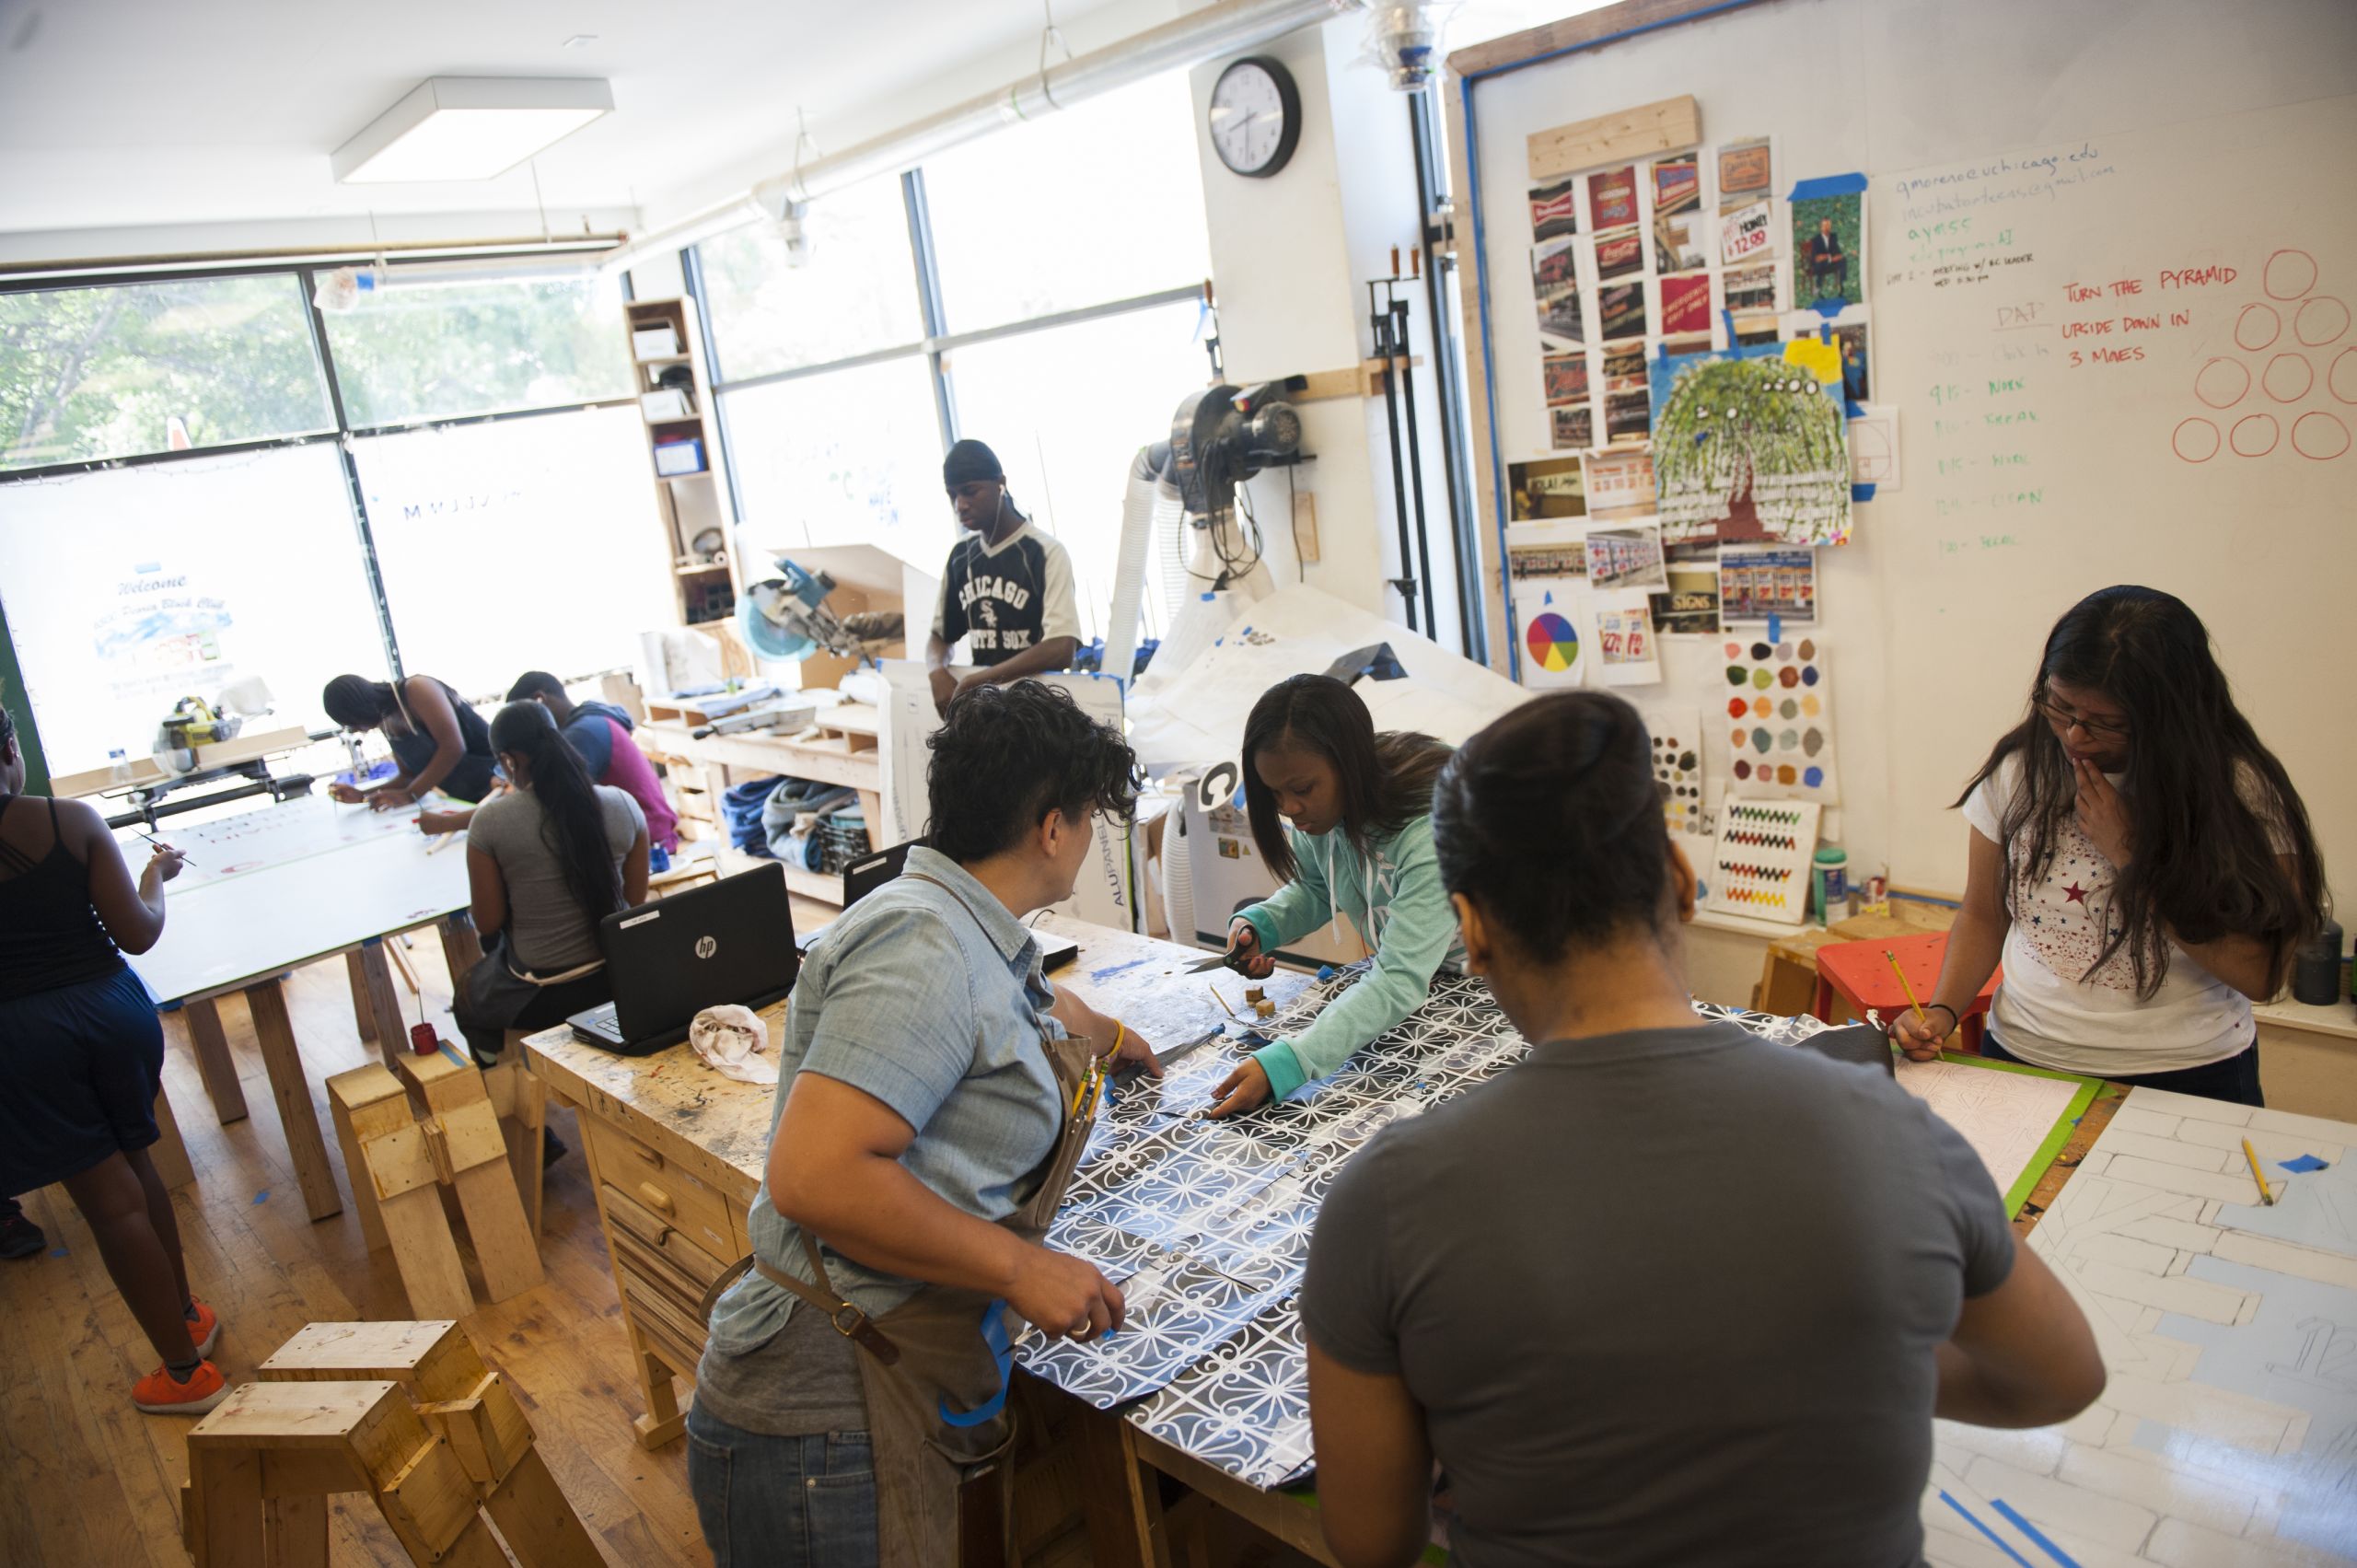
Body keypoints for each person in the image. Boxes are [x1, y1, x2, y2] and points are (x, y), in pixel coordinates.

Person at [1302, 691, 2107, 1567]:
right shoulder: (1888, 1131)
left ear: (1474, 932)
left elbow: (1369, 1541)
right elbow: (2063, 1374)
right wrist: (1847, 1364)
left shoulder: (1384, 1200)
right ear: (1682, 881)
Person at [690, 681, 1161, 1567]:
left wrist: (1098, 1030)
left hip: (874, 1378)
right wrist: (1021, 1264)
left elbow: (1002, 996)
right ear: (1052, 829)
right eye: (1089, 818)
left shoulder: (955, 921)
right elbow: (817, 1175)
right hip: (819, 1421)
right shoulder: (923, 945)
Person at [1889, 587, 2324, 1105]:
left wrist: (2134, 856)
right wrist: (1942, 1010)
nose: (2074, 736)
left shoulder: (2240, 792)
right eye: (2060, 706)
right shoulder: (2020, 772)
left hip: (2187, 1073)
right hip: (2025, 1056)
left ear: (2170, 715)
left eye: (2106, 723)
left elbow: (2261, 974)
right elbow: (1984, 914)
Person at [0, 704, 228, 1413]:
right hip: (116, 1012)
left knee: (108, 1201)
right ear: (10, 745)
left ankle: (185, 1375)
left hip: (26, 1037)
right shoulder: (70, 819)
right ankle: (186, 1314)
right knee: (138, 1164)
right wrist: (157, 874)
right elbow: (138, 930)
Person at [1203, 675, 1460, 1119]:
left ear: (1350, 766)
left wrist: (1293, 1061)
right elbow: (1319, 888)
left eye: (1302, 790)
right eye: (1275, 793)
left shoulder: (1429, 831)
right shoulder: (1324, 816)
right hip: (1432, 982)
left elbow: (1399, 978)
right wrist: (1263, 924)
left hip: (1499, 983)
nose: (1289, 808)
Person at [451, 702, 648, 1069]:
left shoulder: (491, 821)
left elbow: (488, 922)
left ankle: (521, 1110)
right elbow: (633, 903)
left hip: (543, 993)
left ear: (509, 761)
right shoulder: (622, 804)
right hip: (620, 980)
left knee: (467, 996)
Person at [416, 672, 681, 871]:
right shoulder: (585, 723)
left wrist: (446, 823)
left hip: (649, 849)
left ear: (539, 702)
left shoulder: (583, 733)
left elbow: (539, 805)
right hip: (636, 836)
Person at [924, 438, 1083, 715]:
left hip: (1037, 713)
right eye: (952, 495)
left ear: (1000, 484)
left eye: (970, 492)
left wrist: (980, 680)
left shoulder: (1044, 552)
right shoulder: (961, 556)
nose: (960, 505)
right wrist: (936, 670)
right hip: (986, 712)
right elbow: (940, 636)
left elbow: (1061, 648)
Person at [320, 672, 499, 807]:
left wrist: (410, 795)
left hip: (498, 783)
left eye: (353, 723)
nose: (357, 730)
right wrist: (362, 794)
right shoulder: (385, 718)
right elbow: (409, 776)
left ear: (359, 708)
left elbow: (452, 748)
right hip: (467, 798)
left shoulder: (417, 688)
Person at [1807, 215, 1849, 298]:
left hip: (1830, 263)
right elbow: (1817, 258)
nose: (1827, 228)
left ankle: (1841, 284)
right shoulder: (1816, 240)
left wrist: (1839, 256)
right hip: (1819, 265)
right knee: (1820, 263)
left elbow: (1836, 251)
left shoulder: (1833, 237)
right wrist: (1830, 258)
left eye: (1828, 225)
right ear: (1821, 227)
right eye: (1825, 225)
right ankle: (1818, 287)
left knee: (1843, 259)